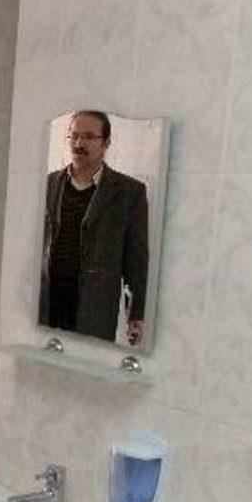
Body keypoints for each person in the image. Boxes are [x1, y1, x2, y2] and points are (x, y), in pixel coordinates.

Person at [39, 110, 149, 345]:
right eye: (74, 136)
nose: (79, 144)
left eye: (89, 137)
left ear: (106, 143)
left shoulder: (129, 193)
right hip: (46, 304)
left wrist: (136, 313)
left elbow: (136, 261)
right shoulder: (47, 184)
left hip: (95, 308)